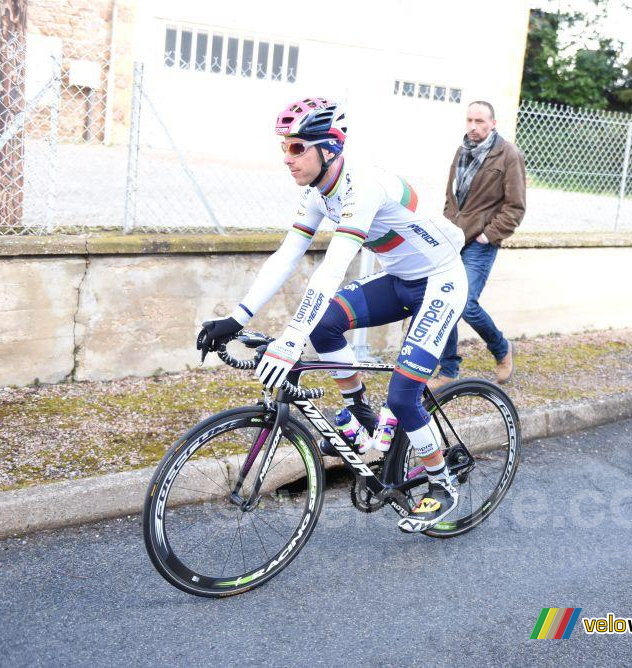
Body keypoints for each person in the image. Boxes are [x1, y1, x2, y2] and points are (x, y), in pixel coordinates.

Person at [195, 97, 468, 533]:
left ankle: (441, 482)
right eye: (284, 147)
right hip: (399, 278)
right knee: (324, 325)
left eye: (296, 147)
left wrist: (289, 339)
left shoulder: (363, 187)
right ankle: (362, 416)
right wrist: (236, 318)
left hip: (440, 281)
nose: (287, 158)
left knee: (403, 396)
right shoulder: (319, 193)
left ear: (329, 148)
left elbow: (333, 266)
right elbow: (287, 255)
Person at [428, 100, 526, 391]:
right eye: (469, 120)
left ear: (493, 123)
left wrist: (489, 235)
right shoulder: (462, 151)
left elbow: (515, 207)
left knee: (466, 304)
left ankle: (501, 348)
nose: (473, 126)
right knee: (445, 300)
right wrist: (446, 227)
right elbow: (452, 198)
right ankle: (448, 370)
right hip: (453, 239)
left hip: (481, 242)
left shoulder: (508, 154)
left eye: (480, 121)